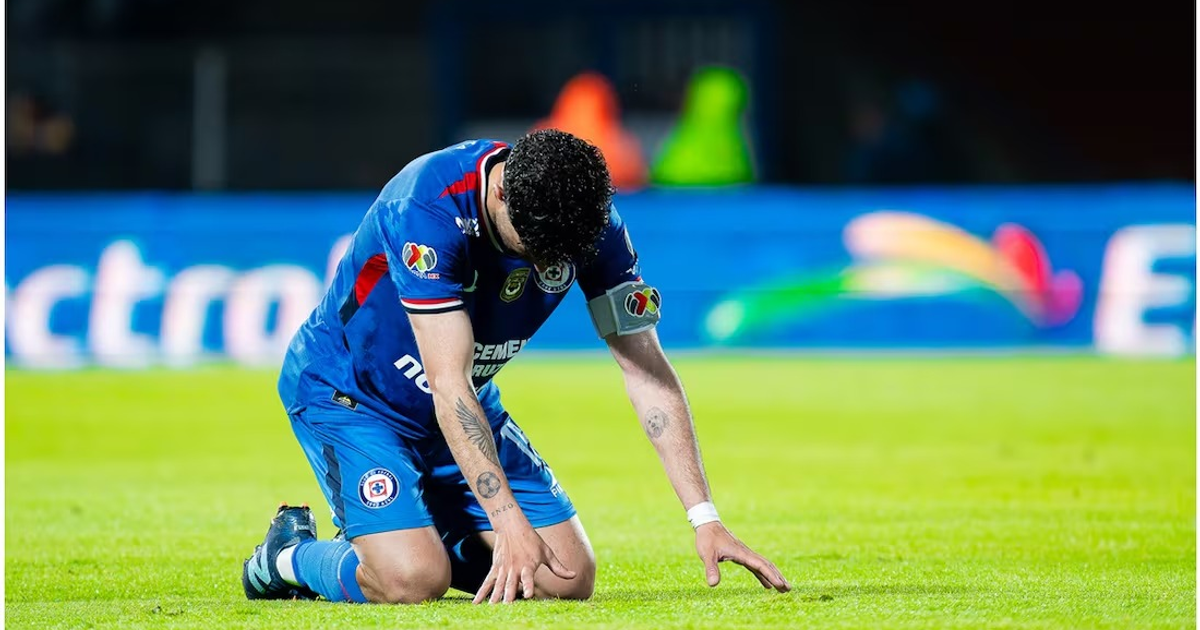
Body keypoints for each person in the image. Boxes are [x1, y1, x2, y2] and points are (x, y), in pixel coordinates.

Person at [242, 129, 791, 605]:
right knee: (412, 580)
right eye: (535, 250)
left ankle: (409, 533)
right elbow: (447, 381)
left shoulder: (587, 218)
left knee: (567, 579)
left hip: (460, 407)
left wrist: (705, 517)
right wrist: (505, 521)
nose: (547, 266)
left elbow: (646, 371)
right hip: (353, 396)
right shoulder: (426, 207)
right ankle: (288, 555)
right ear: (503, 193)